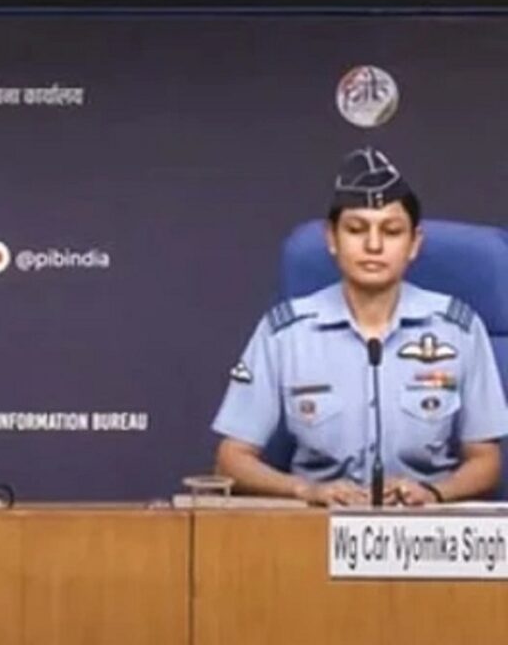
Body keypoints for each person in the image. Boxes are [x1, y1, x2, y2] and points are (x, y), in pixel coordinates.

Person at [213, 148, 508, 506]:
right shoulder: (284, 333)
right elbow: (231, 459)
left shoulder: (459, 328)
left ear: (414, 244)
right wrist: (306, 490)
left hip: (424, 525)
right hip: (316, 522)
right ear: (331, 238)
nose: (373, 245)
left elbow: (486, 461)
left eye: (391, 231)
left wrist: (434, 493)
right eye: (356, 229)